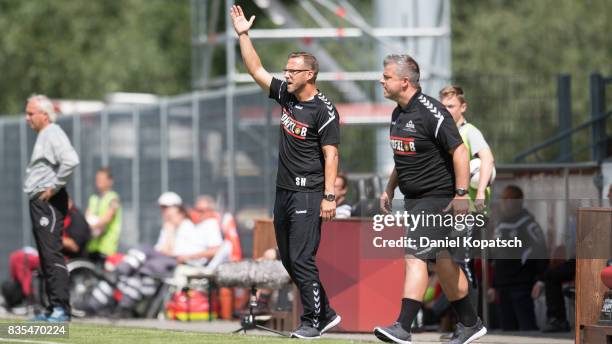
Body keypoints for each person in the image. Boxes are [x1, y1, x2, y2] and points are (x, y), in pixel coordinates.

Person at [230, 5, 341, 339]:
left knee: (303, 258)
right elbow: (256, 70)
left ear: (310, 75)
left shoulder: (324, 110)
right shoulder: (288, 97)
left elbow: (332, 155)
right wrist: (243, 35)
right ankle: (327, 313)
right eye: (287, 70)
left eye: (293, 71)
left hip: (309, 192)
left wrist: (329, 196)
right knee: (291, 261)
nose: (287, 75)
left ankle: (313, 321)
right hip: (284, 191)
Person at [373, 55, 486, 344]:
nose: (381, 81)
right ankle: (470, 323)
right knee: (444, 262)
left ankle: (403, 326)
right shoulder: (398, 113)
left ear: (404, 82)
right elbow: (403, 155)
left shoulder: (431, 112)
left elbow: (459, 151)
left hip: (437, 199)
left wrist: (462, 194)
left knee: (415, 257)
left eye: (386, 77)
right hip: (415, 199)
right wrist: (389, 188)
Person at [84, 192, 223, 317]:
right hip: (169, 259)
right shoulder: (178, 225)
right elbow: (165, 249)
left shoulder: (199, 225)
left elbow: (180, 251)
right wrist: (169, 230)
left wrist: (183, 252)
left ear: (178, 209)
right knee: (138, 267)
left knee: (143, 258)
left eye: (167, 208)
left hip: (178, 261)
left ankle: (120, 284)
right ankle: (107, 302)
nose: (164, 211)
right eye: (163, 208)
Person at [23, 94, 80, 322]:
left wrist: (54, 187)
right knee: (45, 256)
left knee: (51, 253)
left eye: (30, 113)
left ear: (44, 115)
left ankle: (61, 310)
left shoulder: (53, 133)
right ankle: (51, 308)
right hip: (40, 203)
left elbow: (71, 160)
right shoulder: (45, 135)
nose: (27, 118)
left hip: (48, 203)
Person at [5, 198, 90, 307]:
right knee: (17, 257)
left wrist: (52, 237)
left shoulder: (77, 218)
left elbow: (74, 246)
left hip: (66, 258)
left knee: (24, 259)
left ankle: (29, 298)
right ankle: (20, 294)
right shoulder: (57, 216)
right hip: (50, 254)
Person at [488, 185, 548, 331]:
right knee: (507, 329)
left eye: (508, 199)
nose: (504, 203)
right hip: (503, 285)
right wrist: (493, 285)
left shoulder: (528, 224)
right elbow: (495, 255)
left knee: (526, 328)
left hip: (522, 284)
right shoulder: (500, 224)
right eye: (503, 199)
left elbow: (541, 251)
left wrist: (540, 280)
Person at [439, 85, 495, 212]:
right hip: (449, 207)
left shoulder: (469, 131)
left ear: (463, 107)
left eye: (451, 106)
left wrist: (480, 192)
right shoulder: (442, 134)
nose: (446, 111)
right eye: (443, 107)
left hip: (471, 209)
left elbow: (488, 159)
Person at [85, 167, 122, 264]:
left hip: (106, 247)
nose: (98, 181)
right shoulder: (93, 198)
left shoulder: (113, 198)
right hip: (92, 245)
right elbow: (87, 214)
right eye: (97, 179)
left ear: (110, 181)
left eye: (102, 179)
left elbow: (108, 217)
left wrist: (91, 227)